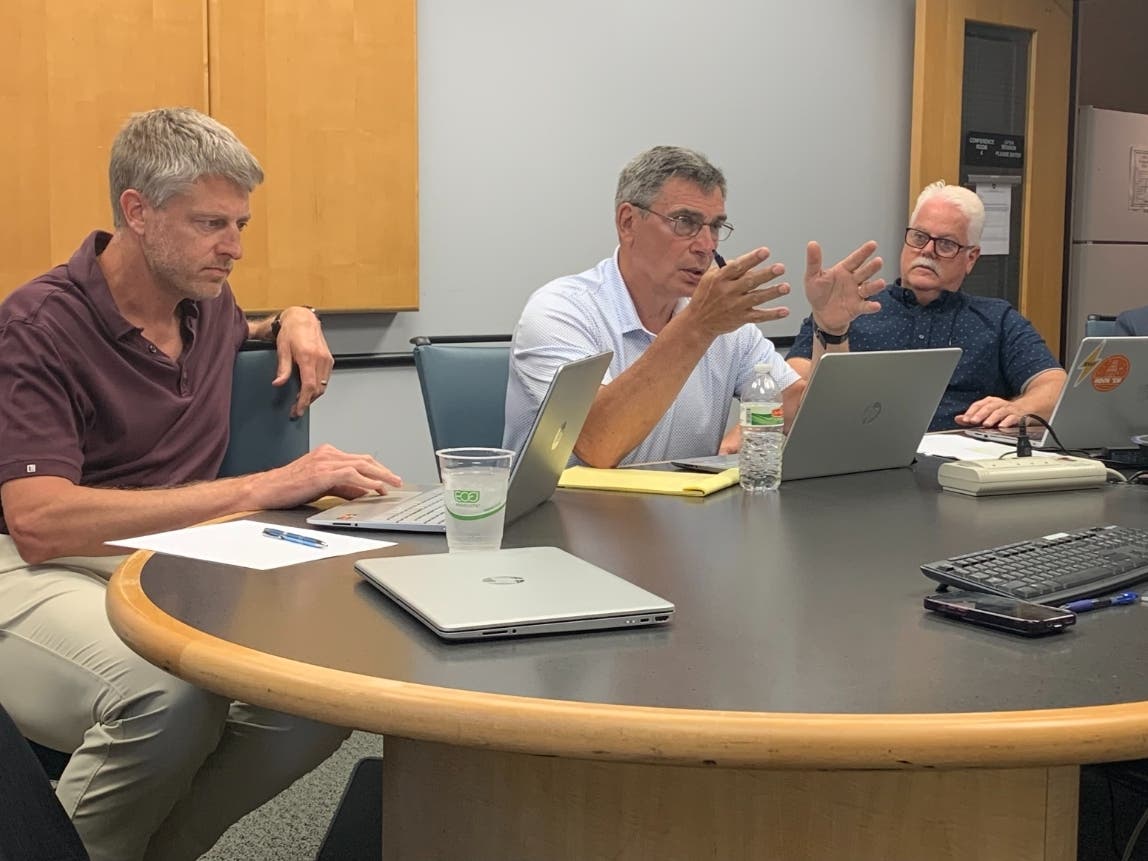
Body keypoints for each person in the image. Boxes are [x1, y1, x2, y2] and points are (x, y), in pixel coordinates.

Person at [0, 107, 402, 861]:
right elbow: (39, 521)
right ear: (137, 211)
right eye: (211, 224)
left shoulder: (208, 307)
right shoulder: (37, 324)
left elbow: (250, 326)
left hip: (163, 557)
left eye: (240, 223)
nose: (235, 247)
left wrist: (295, 315)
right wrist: (265, 486)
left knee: (313, 693)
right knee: (167, 697)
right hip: (30, 564)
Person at [503, 145, 885, 467]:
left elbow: (804, 419)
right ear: (628, 222)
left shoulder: (722, 322)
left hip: (683, 523)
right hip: (567, 525)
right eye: (685, 222)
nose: (706, 246)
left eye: (715, 226)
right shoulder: (560, 312)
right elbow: (598, 444)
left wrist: (831, 330)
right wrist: (699, 325)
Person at [787, 180, 1066, 431]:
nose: (927, 251)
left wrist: (1019, 408)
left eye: (945, 244)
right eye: (919, 237)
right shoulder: (852, 309)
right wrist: (831, 329)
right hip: (866, 454)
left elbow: (1055, 387)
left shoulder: (997, 320)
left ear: (971, 258)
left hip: (964, 459)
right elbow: (792, 398)